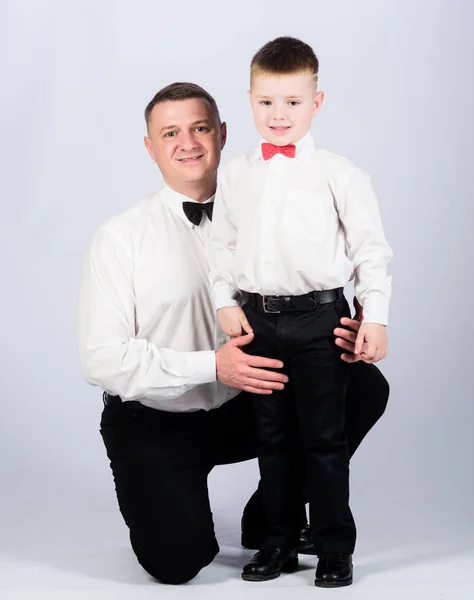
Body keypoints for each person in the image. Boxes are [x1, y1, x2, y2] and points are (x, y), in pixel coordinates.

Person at [77, 81, 390, 586]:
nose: (189, 143)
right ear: (150, 146)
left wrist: (339, 325)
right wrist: (212, 364)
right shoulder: (120, 238)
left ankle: (272, 520)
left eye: (201, 128)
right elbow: (100, 359)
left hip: (246, 400)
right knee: (177, 561)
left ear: (222, 134)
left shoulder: (268, 198)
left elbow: (319, 272)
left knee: (364, 387)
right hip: (156, 417)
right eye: (171, 132)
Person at [208, 37, 392, 587]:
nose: (279, 114)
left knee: (324, 440)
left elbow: (370, 251)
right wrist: (224, 301)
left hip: (320, 322)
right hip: (258, 320)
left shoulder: (341, 174)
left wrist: (375, 314)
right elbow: (221, 244)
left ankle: (335, 547)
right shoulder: (237, 172)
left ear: (317, 102)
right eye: (267, 102)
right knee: (273, 439)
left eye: (292, 101)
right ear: (249, 101)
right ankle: (279, 543)